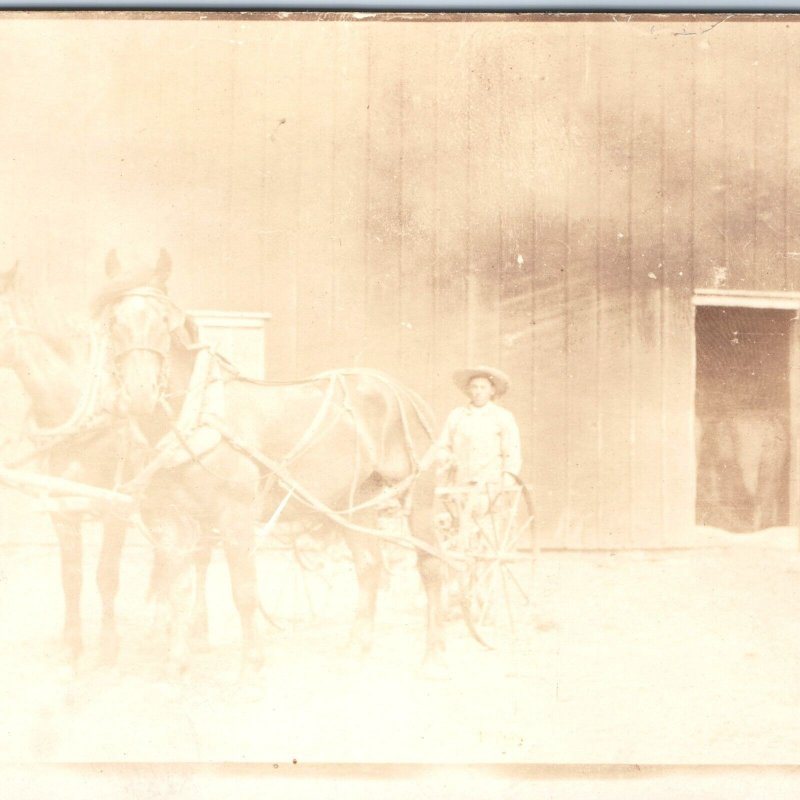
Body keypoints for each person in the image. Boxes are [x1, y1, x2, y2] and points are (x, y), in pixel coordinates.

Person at [436, 365, 522, 491]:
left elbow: (511, 453)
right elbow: (443, 447)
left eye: (483, 387)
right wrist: (447, 460)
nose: (478, 391)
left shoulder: (502, 417)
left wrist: (507, 482)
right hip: (461, 485)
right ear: (469, 390)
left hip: (491, 486)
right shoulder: (457, 416)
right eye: (474, 387)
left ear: (492, 391)